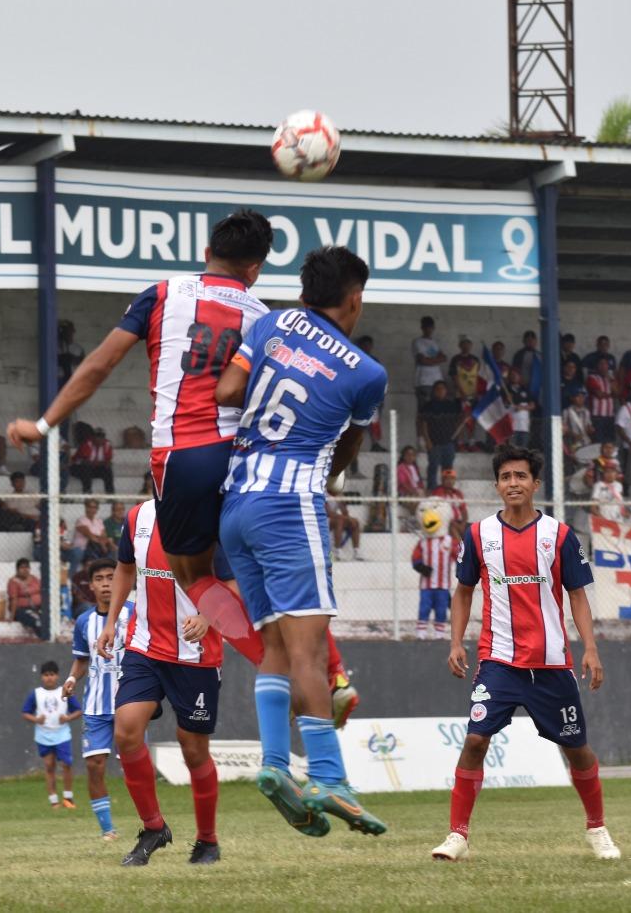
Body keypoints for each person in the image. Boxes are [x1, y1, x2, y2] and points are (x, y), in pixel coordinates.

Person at [6, 209, 275, 657]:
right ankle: (309, 665)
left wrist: (42, 424)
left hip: (184, 458)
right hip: (244, 461)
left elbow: (100, 364)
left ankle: (271, 663)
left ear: (207, 252)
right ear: (255, 269)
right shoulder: (264, 318)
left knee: (192, 573)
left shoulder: (163, 294)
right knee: (245, 570)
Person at [215, 245, 388, 838]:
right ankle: (330, 778)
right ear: (354, 299)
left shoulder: (271, 323)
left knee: (275, 647)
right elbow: (348, 446)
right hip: (290, 505)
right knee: (310, 654)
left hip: (236, 502)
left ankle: (273, 764)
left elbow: (227, 390)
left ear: (304, 291)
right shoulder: (366, 373)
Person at [431, 444, 618, 863]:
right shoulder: (478, 535)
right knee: (475, 740)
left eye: (520, 476)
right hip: (498, 661)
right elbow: (463, 592)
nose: (512, 483)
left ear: (535, 484)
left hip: (551, 664)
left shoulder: (559, 535)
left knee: (577, 749)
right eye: (505, 477)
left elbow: (578, 595)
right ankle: (457, 835)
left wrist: (590, 648)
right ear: (497, 485)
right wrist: (456, 641)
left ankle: (597, 828)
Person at [96, 500, 226, 865]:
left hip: (195, 654)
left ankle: (207, 841)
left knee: (193, 747)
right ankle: (154, 827)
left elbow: (233, 581)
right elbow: (125, 568)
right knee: (126, 731)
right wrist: (111, 622)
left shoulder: (209, 515)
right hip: (145, 645)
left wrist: (207, 616)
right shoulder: (137, 516)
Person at [63, 559, 133, 841]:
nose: (106, 584)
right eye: (99, 579)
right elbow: (82, 659)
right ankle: (108, 830)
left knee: (134, 767)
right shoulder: (84, 621)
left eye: (111, 577)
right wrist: (71, 678)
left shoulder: (135, 613)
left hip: (130, 703)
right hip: (95, 706)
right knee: (94, 765)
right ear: (91, 586)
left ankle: (151, 823)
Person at [23, 661, 81, 811]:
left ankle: (68, 797)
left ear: (57, 676)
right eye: (46, 675)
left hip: (62, 734)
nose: (49, 678)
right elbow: (25, 712)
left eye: (52, 674)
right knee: (49, 766)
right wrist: (36, 719)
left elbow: (78, 711)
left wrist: (67, 718)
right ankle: (53, 800)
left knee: (66, 764)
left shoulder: (64, 691)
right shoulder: (36, 694)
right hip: (43, 735)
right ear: (42, 677)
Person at [412, 521, 458, 639]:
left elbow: (459, 555)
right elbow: (415, 558)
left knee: (441, 610)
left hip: (443, 585)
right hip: (426, 585)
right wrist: (421, 567)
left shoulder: (448, 541)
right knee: (424, 608)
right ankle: (421, 633)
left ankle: (439, 634)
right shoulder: (423, 542)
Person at [418, 380, 464, 492]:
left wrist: (457, 438)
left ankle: (446, 490)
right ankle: (432, 490)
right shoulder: (428, 406)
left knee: (448, 469)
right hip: (434, 443)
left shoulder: (451, 406)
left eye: (442, 389)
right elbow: (423, 425)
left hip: (449, 442)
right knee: (433, 467)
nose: (440, 391)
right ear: (434, 391)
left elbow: (459, 419)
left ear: (446, 391)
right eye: (438, 389)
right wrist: (427, 441)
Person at [413, 316, 447, 406]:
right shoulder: (417, 342)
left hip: (437, 380)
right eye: (426, 327)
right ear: (422, 328)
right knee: (424, 408)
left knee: (437, 408)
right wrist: (437, 360)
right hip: (424, 381)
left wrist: (430, 360)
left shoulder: (435, 342)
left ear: (433, 328)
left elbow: (444, 358)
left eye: (430, 327)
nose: (428, 330)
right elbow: (423, 361)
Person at [6, 558, 44, 638]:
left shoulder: (35, 579)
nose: (25, 570)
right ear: (17, 569)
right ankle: (44, 638)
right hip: (22, 609)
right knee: (36, 621)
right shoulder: (13, 582)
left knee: (46, 617)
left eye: (27, 567)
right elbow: (13, 599)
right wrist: (12, 616)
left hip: (37, 607)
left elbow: (42, 592)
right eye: (22, 567)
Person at [70, 427, 114, 493]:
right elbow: (85, 462)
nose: (100, 439)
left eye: (102, 436)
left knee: (108, 470)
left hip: (94, 468)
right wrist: (102, 463)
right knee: (86, 468)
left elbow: (108, 461)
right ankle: (87, 492)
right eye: (97, 436)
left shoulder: (107, 444)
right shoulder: (87, 443)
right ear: (93, 437)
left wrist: (104, 463)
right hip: (78, 468)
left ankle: (110, 494)